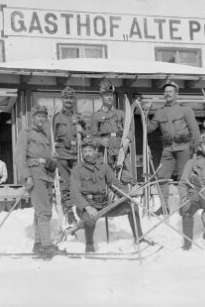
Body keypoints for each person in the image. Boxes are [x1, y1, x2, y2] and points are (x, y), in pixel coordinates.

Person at [70, 136, 148, 253]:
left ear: (96, 151)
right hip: (86, 207)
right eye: (85, 151)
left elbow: (115, 184)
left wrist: (127, 196)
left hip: (104, 205)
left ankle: (139, 239)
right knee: (90, 219)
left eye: (90, 151)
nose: (87, 154)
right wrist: (87, 207)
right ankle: (89, 246)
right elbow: (74, 193)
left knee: (132, 207)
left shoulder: (103, 167)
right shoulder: (77, 170)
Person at [145, 80, 200, 215]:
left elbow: (195, 131)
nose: (167, 94)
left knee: (184, 178)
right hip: (168, 149)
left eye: (170, 91)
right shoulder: (160, 112)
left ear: (176, 94)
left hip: (184, 148)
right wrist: (144, 113)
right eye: (165, 92)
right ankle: (164, 206)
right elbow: (149, 128)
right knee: (162, 177)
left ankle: (185, 205)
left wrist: (195, 150)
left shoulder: (185, 110)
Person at [15, 105, 63, 257]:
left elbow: (49, 164)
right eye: (38, 116)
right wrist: (27, 176)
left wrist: (53, 160)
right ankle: (46, 245)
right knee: (45, 212)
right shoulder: (26, 133)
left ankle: (38, 243)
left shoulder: (45, 136)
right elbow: (19, 157)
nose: (41, 119)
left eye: (44, 116)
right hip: (35, 175)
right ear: (33, 118)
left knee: (39, 212)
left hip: (46, 176)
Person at [53, 86, 87, 225]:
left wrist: (82, 131)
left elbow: (87, 136)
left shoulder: (79, 117)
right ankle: (69, 212)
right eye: (66, 98)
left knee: (78, 184)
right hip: (62, 155)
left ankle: (81, 210)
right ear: (62, 99)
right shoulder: (57, 117)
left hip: (76, 155)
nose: (68, 100)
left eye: (71, 98)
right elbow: (52, 137)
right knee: (65, 185)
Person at [90, 81, 133, 184]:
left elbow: (131, 129)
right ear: (101, 97)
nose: (109, 97)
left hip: (121, 151)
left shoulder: (120, 114)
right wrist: (100, 141)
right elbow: (93, 137)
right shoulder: (96, 116)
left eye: (111, 94)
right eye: (106, 95)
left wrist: (128, 139)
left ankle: (125, 199)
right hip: (105, 152)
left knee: (125, 178)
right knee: (105, 179)